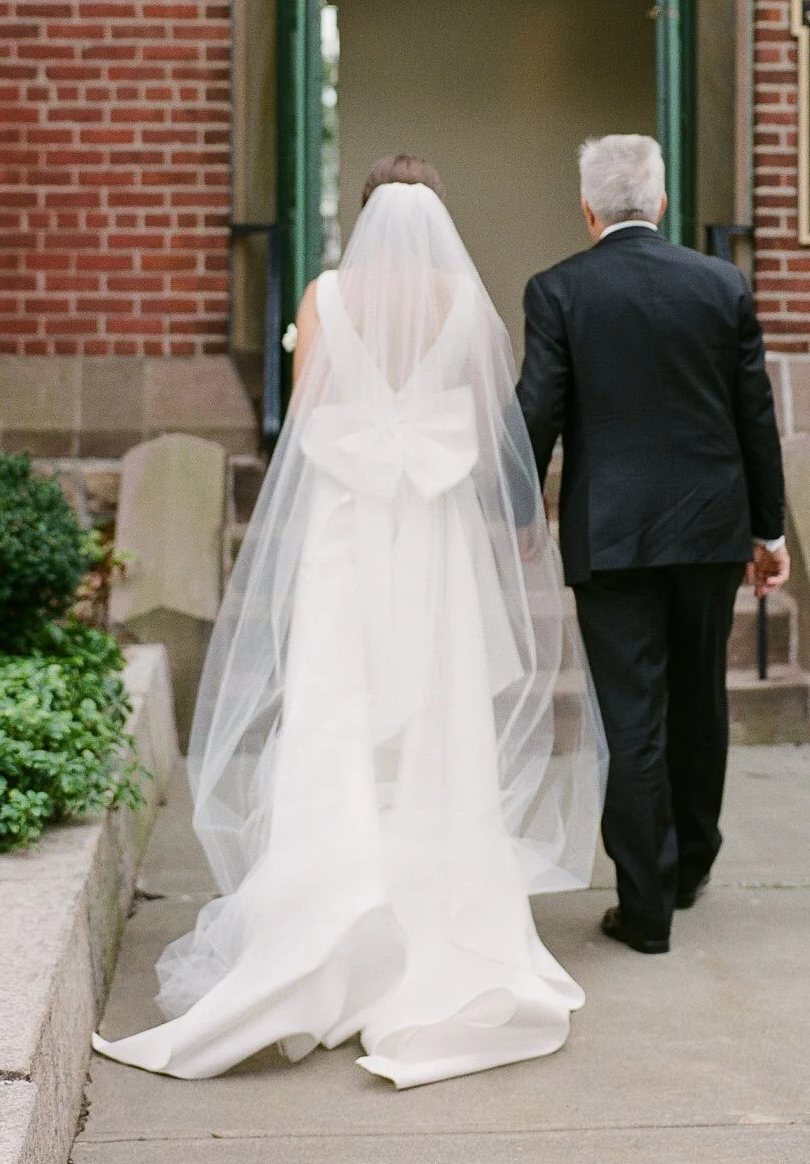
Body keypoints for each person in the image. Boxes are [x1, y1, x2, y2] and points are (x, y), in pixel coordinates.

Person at [93, 154, 605, 1088]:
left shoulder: (328, 295)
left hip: (347, 521)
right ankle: (435, 928)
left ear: (364, 212)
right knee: (439, 706)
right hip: (437, 526)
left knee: (339, 699)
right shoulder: (465, 301)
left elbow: (308, 409)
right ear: (436, 216)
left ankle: (324, 924)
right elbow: (498, 419)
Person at [517, 134, 787, 955]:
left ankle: (645, 911)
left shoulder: (557, 290)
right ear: (661, 204)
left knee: (630, 714)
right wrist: (767, 530)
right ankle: (690, 866)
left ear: (587, 209)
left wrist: (515, 510)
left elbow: (537, 411)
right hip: (710, 530)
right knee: (700, 697)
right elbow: (754, 416)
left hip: (612, 534)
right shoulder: (720, 284)